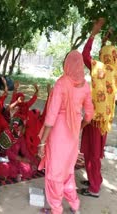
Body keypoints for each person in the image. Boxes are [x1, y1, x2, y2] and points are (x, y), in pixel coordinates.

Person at [38, 50, 94, 214]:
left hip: (58, 133)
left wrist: (42, 142)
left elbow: (51, 117)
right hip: (73, 133)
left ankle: (56, 209)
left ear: (67, 64)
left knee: (54, 173)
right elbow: (89, 116)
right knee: (67, 171)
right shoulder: (85, 85)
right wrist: (79, 127)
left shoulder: (61, 83)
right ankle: (74, 206)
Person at [80, 18, 117, 198]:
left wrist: (93, 34)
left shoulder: (100, 68)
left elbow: (85, 55)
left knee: (92, 154)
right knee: (91, 151)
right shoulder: (114, 70)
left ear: (104, 56)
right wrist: (104, 41)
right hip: (104, 121)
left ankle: (94, 188)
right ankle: (95, 180)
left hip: (95, 119)